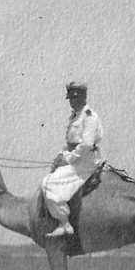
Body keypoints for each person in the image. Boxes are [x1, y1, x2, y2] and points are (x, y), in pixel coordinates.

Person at [41, 81, 104, 238]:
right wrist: (60, 155)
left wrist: (68, 159)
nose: (72, 102)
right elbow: (70, 143)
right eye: (70, 99)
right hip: (76, 159)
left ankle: (64, 222)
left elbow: (87, 144)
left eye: (75, 98)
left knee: (48, 184)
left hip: (86, 162)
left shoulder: (90, 116)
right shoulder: (74, 117)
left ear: (83, 98)